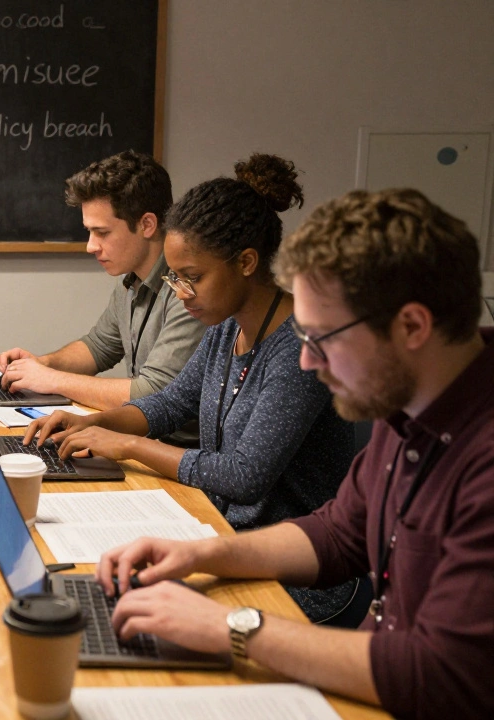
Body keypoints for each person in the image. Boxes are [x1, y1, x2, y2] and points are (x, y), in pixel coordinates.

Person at [94, 188, 494, 718]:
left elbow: (442, 674)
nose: (307, 361)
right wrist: (200, 554)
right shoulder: (409, 407)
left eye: (323, 337)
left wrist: (229, 628)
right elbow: (337, 533)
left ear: (413, 327)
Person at [28, 155, 356, 621]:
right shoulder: (227, 327)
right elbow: (170, 402)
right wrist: (92, 423)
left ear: (246, 262)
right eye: (175, 277)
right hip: (228, 539)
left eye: (193, 278)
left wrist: (124, 444)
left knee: (135, 616)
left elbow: (244, 477)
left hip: (294, 578)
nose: (181, 292)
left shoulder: (301, 349)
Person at [0, 151, 205, 412]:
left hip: (176, 447)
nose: (91, 246)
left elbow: (153, 392)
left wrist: (53, 380)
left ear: (147, 224)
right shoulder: (130, 281)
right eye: (89, 232)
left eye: (102, 233)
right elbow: (98, 347)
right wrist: (43, 363)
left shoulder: (188, 291)